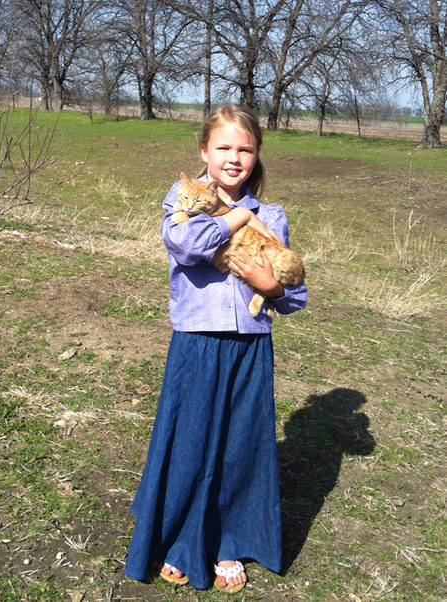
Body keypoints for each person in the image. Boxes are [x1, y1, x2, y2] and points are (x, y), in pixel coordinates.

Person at [124, 104, 307, 593]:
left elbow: (296, 296)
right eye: (223, 147)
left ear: (257, 157)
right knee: (190, 442)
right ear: (203, 151)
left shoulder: (273, 216)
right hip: (197, 345)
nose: (233, 157)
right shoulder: (183, 199)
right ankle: (181, 539)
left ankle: (229, 541)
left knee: (239, 447)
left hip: (250, 350)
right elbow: (183, 243)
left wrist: (268, 287)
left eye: (245, 149)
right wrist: (235, 219)